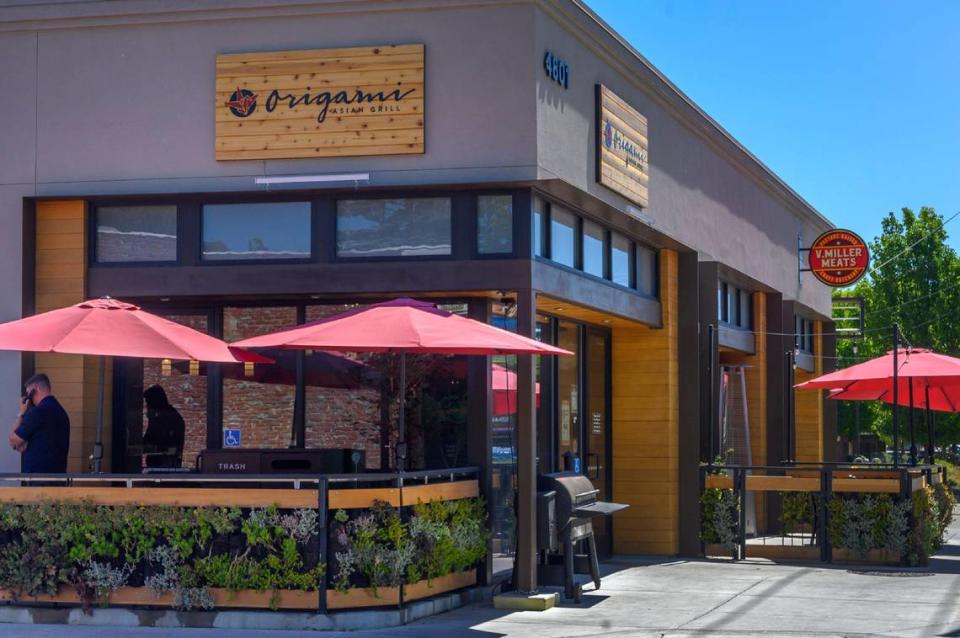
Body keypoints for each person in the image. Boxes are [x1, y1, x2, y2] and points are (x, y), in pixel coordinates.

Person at [8, 373, 70, 474]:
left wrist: (21, 413)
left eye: (28, 394)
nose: (28, 399)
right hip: (58, 477)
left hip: (38, 478)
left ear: (35, 389)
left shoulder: (37, 412)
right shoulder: (62, 413)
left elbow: (13, 441)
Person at [142, 385, 185, 469]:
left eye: (148, 402)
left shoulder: (167, 418)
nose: (147, 406)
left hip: (164, 466)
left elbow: (153, 442)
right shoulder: (166, 416)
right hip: (161, 464)